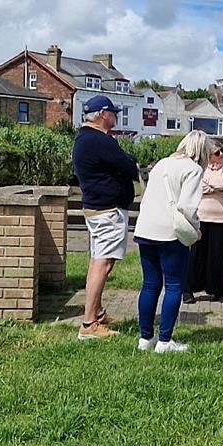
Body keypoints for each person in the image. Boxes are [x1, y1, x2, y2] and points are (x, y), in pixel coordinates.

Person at [133, 131, 210, 353]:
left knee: (149, 284)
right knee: (174, 286)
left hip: (146, 228)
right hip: (171, 233)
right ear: (202, 150)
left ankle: (145, 338)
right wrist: (196, 230)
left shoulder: (162, 164)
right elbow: (188, 207)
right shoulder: (193, 170)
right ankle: (165, 341)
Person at [72, 95, 139, 340]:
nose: (116, 116)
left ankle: (97, 313)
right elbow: (129, 166)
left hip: (99, 209)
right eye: (114, 112)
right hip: (106, 212)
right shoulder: (98, 140)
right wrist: (130, 163)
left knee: (98, 262)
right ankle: (89, 324)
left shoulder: (85, 138)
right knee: (102, 263)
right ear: (103, 113)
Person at [183, 140, 223, 304]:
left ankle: (218, 290)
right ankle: (188, 289)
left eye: (222, 151)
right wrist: (217, 188)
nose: (220, 155)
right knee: (196, 255)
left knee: (219, 256)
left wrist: (210, 185)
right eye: (216, 153)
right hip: (202, 217)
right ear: (208, 155)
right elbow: (198, 187)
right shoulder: (200, 168)